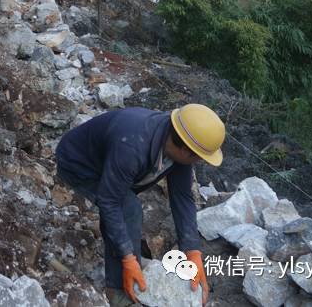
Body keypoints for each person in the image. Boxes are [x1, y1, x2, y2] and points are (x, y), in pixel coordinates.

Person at [56, 104, 224, 307]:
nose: (199, 162)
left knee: (125, 206)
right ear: (185, 149)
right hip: (78, 164)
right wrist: (127, 259)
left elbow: (182, 198)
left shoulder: (175, 142)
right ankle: (118, 290)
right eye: (198, 157)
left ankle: (129, 254)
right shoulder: (133, 146)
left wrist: (192, 252)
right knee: (129, 208)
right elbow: (110, 201)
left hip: (112, 164)